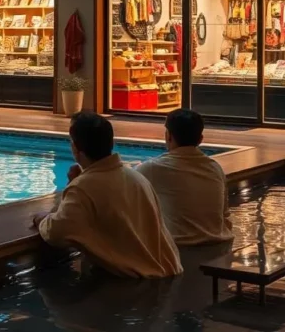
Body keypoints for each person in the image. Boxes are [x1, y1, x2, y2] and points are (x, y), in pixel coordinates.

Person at [32, 111, 181, 278]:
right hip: (169, 272)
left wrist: (41, 219)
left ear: (75, 148)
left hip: (139, 283)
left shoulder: (84, 188)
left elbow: (56, 233)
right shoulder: (136, 177)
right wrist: (75, 184)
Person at [135, 109, 233, 247]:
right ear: (200, 139)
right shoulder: (215, 168)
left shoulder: (152, 168)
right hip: (220, 248)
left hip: (180, 253)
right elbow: (225, 217)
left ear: (168, 136)